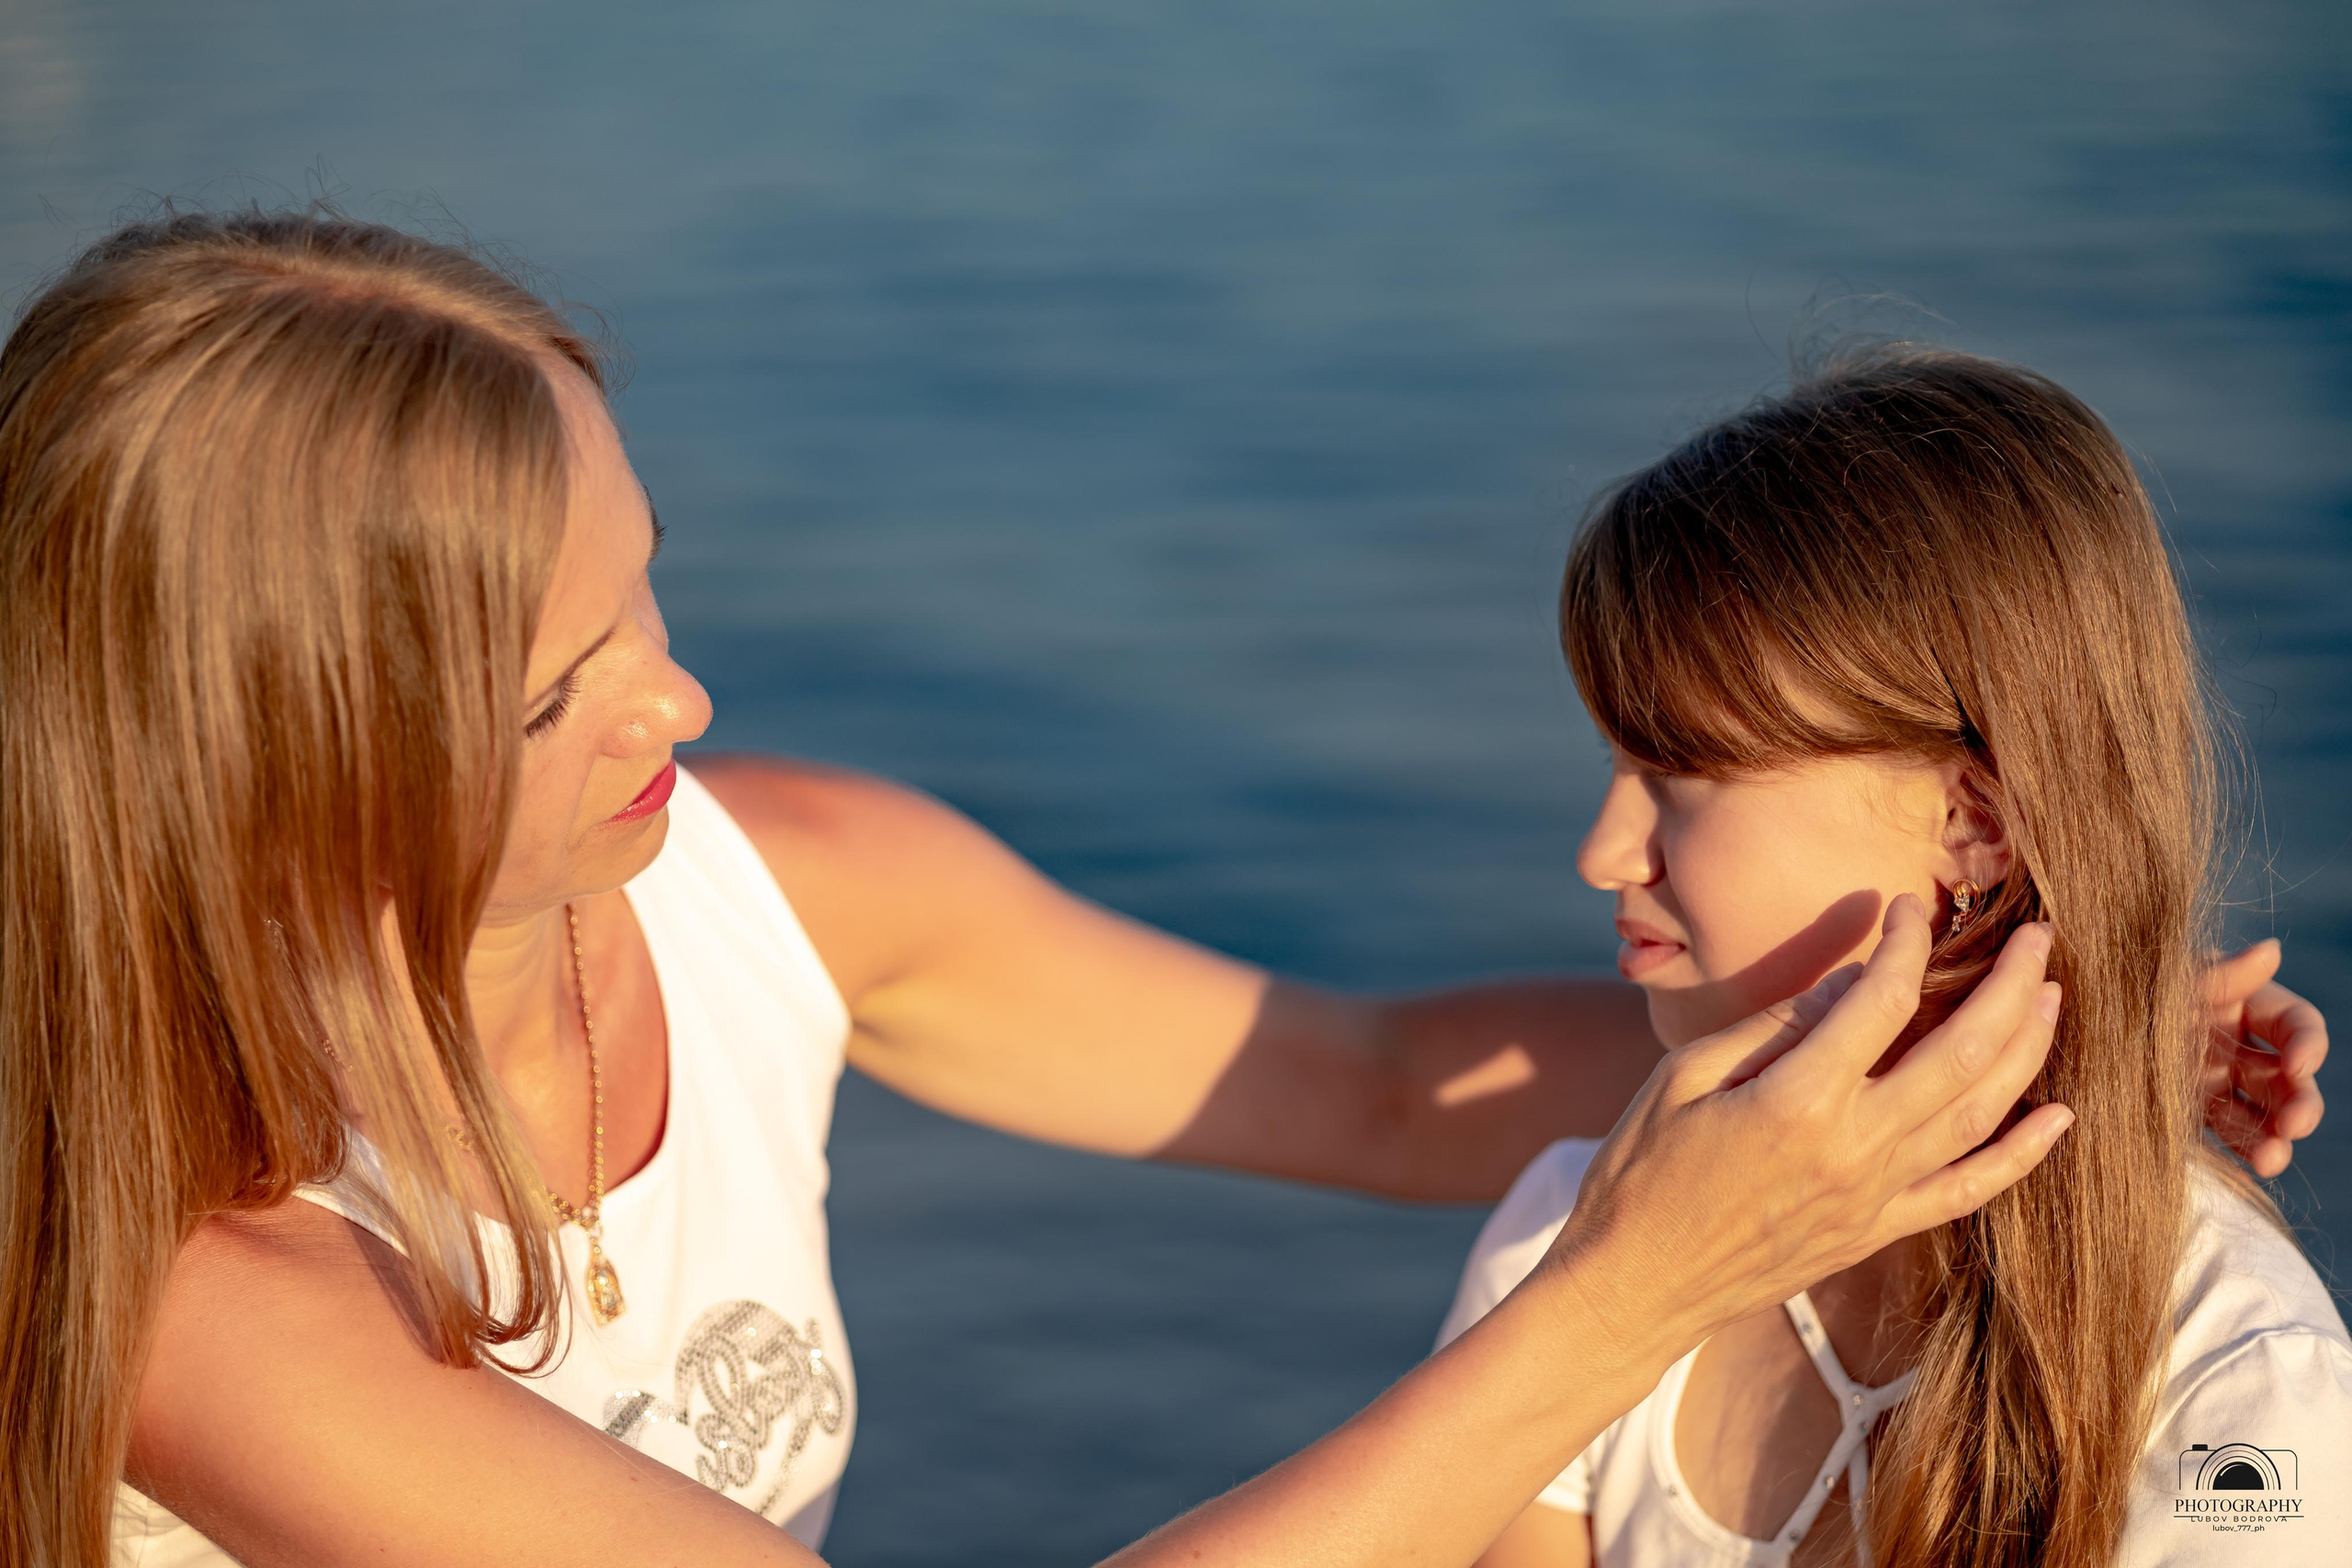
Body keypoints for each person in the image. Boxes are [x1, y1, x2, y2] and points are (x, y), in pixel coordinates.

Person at [0, 209, 2312, 1568]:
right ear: (289, 752)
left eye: (646, 589)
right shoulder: (198, 1277)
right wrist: (1630, 1288)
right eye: (557, 687)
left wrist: (2000, 1036)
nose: (680, 695)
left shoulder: (780, 885)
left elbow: (1374, 1080)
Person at [1441, 346, 2351, 1568]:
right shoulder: (1566, 1241)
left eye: (1682, 776)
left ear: (1973, 822)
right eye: (1616, 766)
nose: (1604, 854)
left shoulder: (2236, 1374)